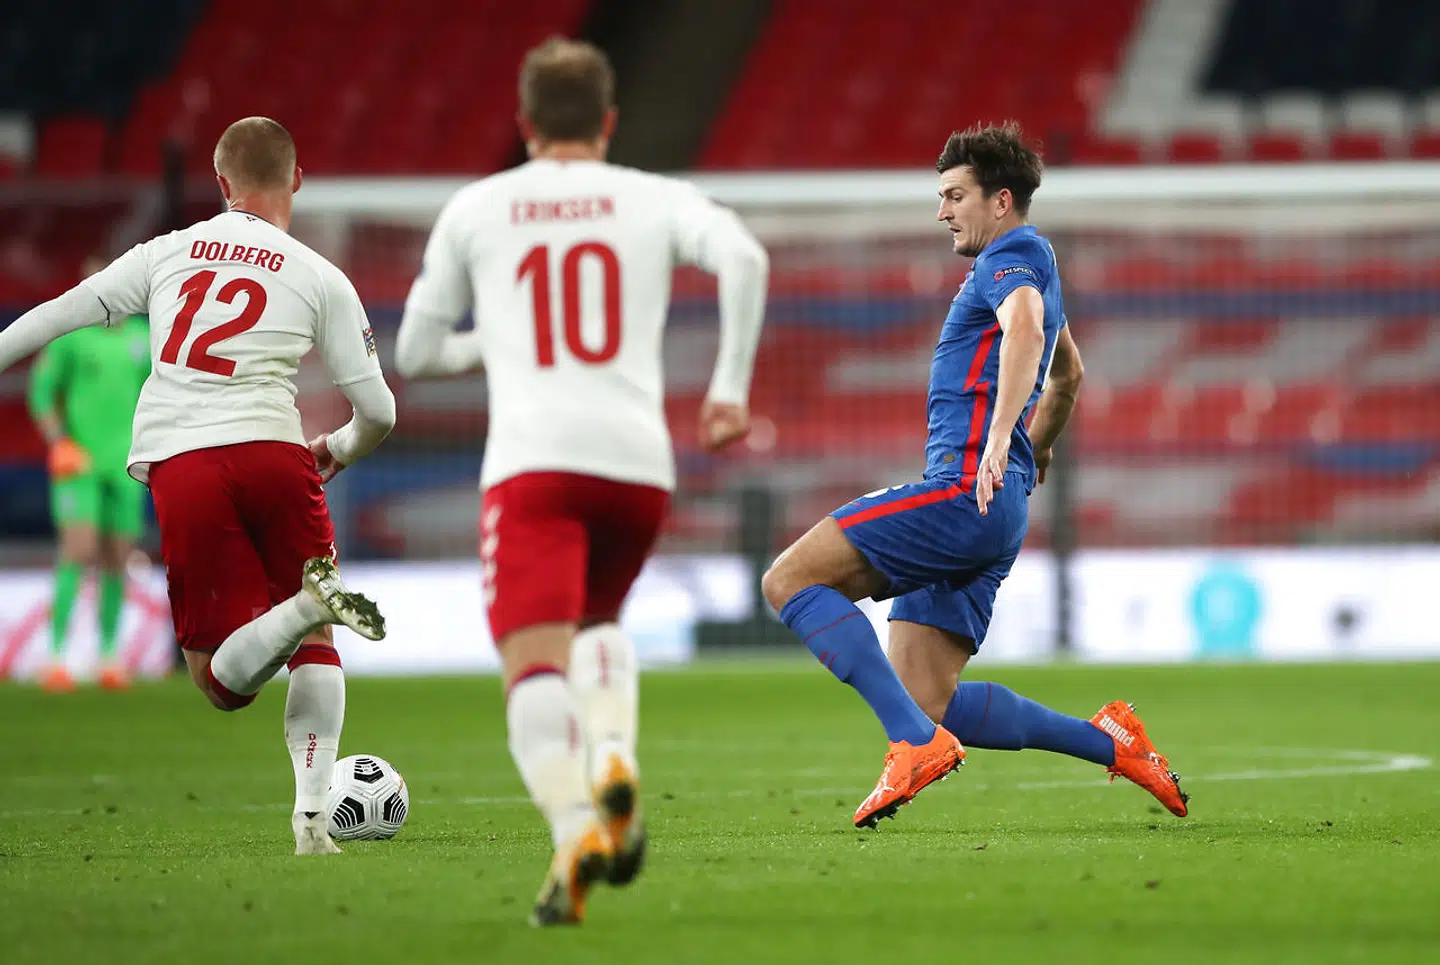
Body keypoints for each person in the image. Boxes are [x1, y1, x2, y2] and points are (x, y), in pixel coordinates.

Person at [396, 38, 768, 925]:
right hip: (637, 463)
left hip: (534, 462)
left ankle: (574, 828)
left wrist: (496, 340)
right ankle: (612, 752)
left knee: (533, 662)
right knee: (599, 624)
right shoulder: (653, 197)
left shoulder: (480, 207)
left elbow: (412, 351)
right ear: (608, 122)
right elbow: (746, 258)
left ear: (523, 124)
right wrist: (726, 390)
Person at [761, 122, 1188, 830]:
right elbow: (1069, 375)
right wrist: (1033, 450)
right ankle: (1108, 739)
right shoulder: (1040, 262)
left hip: (963, 492)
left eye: (955, 195)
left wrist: (996, 439)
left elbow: (1024, 331)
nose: (942, 211)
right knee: (926, 690)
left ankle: (913, 744)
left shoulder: (1009, 259)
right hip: (999, 504)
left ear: (1001, 199)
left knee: (788, 579)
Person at [0, 116, 396, 855]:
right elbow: (380, 411)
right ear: (297, 180)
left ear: (219, 184)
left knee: (220, 681)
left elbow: (56, 315)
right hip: (277, 453)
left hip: (184, 461)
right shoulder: (319, 274)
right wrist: (337, 448)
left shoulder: (162, 254)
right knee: (316, 644)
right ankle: (312, 820)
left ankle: (302, 609)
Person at [27, 255, 150, 691]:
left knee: (118, 558)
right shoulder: (70, 340)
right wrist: (59, 440)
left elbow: (157, 396)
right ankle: (56, 656)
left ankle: (109, 656)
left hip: (128, 466)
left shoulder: (142, 341)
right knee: (78, 550)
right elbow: (42, 393)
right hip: (78, 463)